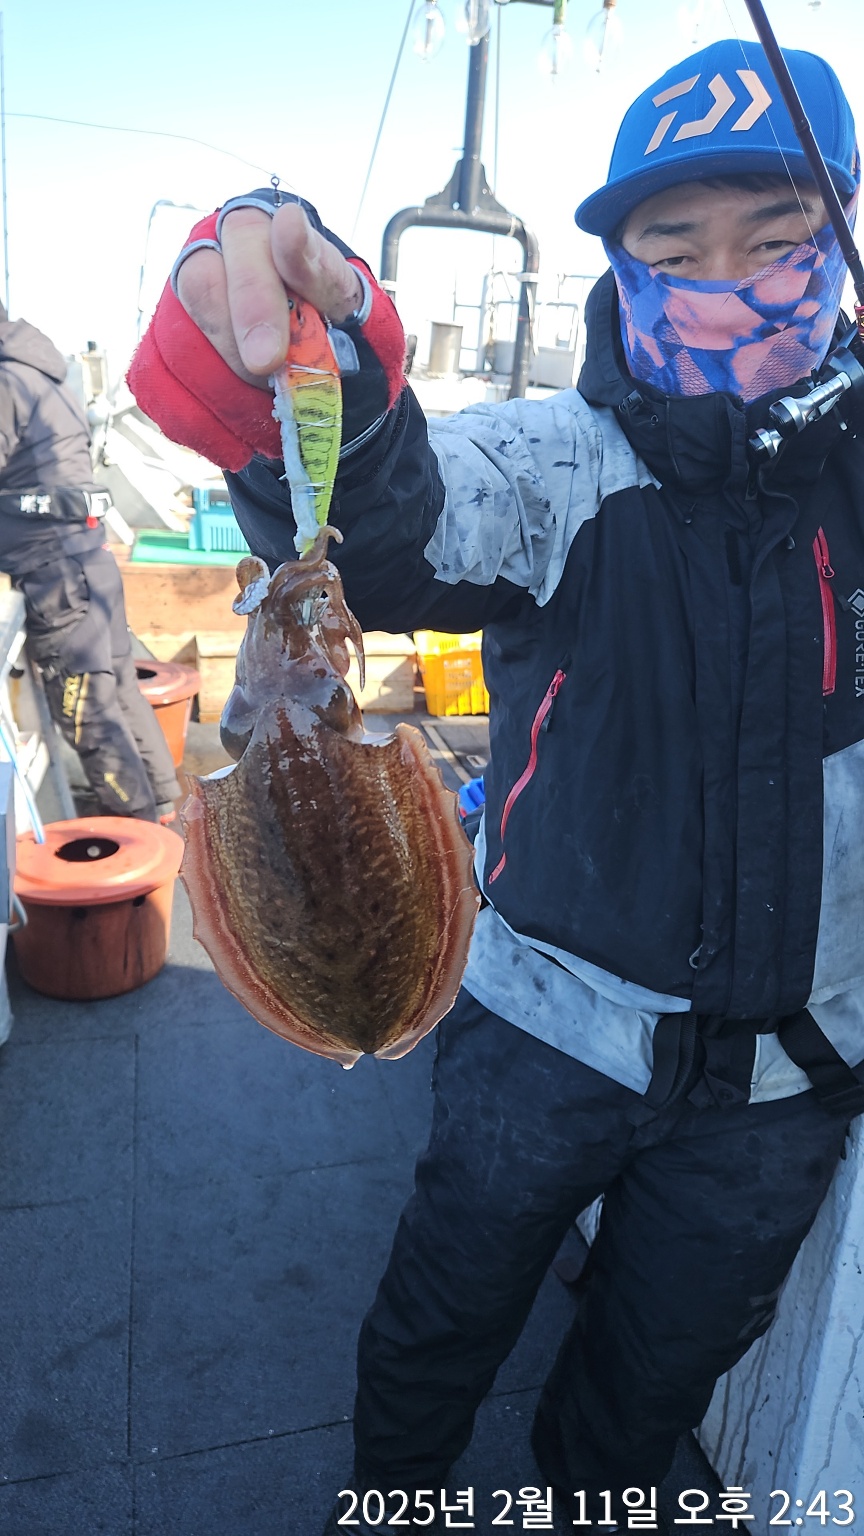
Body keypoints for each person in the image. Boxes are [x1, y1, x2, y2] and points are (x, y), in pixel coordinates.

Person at [129, 37, 864, 1533]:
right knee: (442, 1316)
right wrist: (303, 368)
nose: (726, 281)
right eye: (676, 250)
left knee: (647, 1388)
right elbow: (390, 519)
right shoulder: (560, 465)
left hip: (787, 1079)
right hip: (543, 1030)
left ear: (843, 239)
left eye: (779, 241)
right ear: (623, 266)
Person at [0, 307, 181, 822]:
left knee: (88, 717)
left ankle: (136, 837)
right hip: (89, 563)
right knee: (120, 692)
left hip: (56, 577)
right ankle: (165, 815)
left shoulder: (5, 383)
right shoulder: (40, 372)